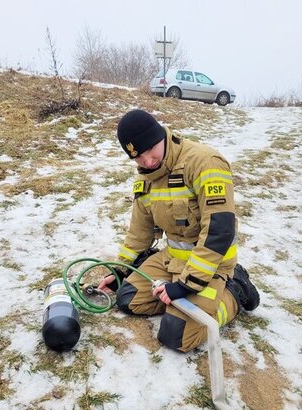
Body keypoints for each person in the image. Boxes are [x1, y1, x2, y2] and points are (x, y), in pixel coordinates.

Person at [98, 109, 259, 352]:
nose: (148, 162)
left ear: (160, 136)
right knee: (128, 298)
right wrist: (120, 270)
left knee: (176, 336)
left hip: (211, 266)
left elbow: (220, 231)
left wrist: (185, 286)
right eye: (138, 158)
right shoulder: (146, 179)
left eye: (150, 151)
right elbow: (139, 232)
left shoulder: (205, 162)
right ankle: (181, 304)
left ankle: (235, 290)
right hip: (171, 260)